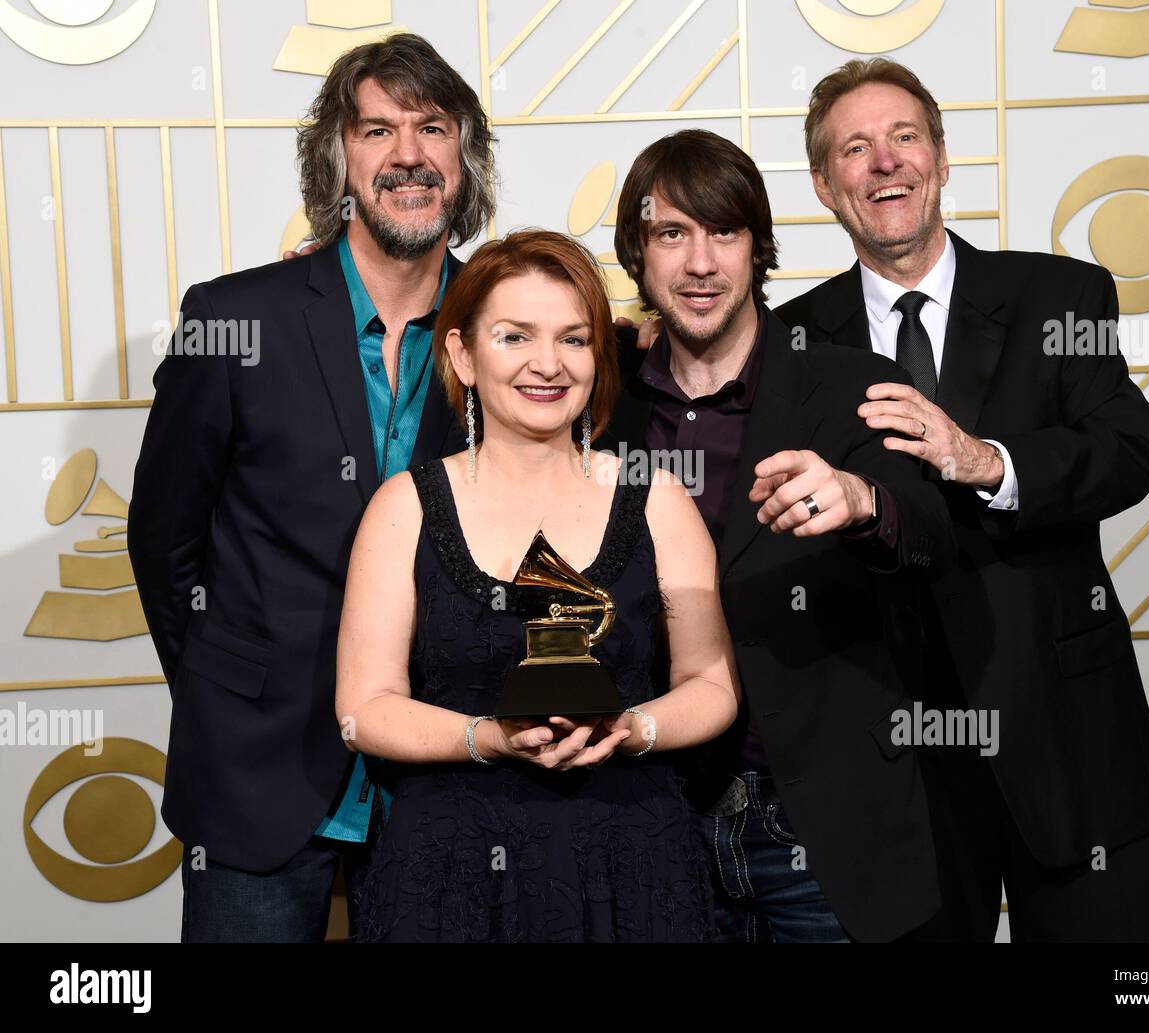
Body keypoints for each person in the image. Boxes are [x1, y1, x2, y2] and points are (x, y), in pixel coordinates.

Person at [775, 58, 1149, 941]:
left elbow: (1126, 450)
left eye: (904, 139)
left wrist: (983, 459)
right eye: (855, 148)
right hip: (897, 781)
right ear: (823, 184)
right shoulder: (790, 342)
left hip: (1072, 756)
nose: (885, 163)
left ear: (943, 160)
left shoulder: (1058, 296)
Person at [128, 33, 493, 941]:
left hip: (444, 778)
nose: (407, 154)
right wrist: (227, 690)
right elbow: (162, 539)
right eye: (376, 130)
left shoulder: (507, 329)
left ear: (464, 158)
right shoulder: (233, 319)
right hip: (255, 774)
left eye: (432, 127)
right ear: (337, 160)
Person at [337, 229, 739, 942]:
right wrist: (487, 737)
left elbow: (711, 684)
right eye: (515, 337)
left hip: (634, 864)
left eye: (574, 339)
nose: (546, 364)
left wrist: (631, 728)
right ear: (462, 353)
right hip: (450, 876)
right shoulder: (405, 506)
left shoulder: (656, 498)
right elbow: (364, 708)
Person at [602, 129, 955, 942]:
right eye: (671, 233)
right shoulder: (597, 405)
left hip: (822, 828)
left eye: (724, 232)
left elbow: (934, 533)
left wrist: (863, 500)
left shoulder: (848, 382)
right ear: (636, 253)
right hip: (656, 820)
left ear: (759, 248)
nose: (700, 263)